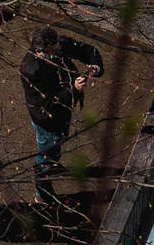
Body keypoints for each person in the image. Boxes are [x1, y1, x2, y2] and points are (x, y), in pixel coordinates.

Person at [19, 26, 105, 206]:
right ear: (40, 51)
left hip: (64, 110)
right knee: (46, 154)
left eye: (58, 48)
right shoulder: (30, 70)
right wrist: (73, 90)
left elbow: (89, 51)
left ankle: (53, 163)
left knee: (57, 143)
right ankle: (41, 194)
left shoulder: (59, 45)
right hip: (47, 118)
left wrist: (94, 66)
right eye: (53, 51)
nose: (58, 52)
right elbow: (48, 104)